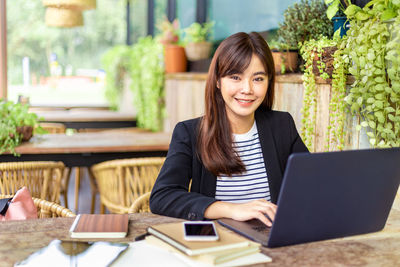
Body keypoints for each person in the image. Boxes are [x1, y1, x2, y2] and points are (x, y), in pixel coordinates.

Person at [150, 32, 308, 226]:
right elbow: (162, 196)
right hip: (217, 241)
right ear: (218, 81)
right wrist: (233, 209)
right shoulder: (190, 133)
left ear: (269, 83)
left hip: (271, 240)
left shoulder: (282, 125)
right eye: (235, 77)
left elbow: (310, 183)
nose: (247, 89)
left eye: (258, 79)